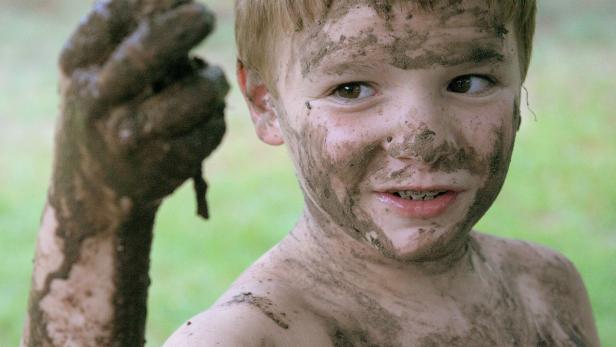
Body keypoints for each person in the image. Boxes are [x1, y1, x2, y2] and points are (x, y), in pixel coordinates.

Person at [22, 0, 600, 346]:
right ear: (266, 104)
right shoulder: (247, 339)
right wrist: (91, 226)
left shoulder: (547, 287)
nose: (423, 138)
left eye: (469, 81)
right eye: (351, 88)